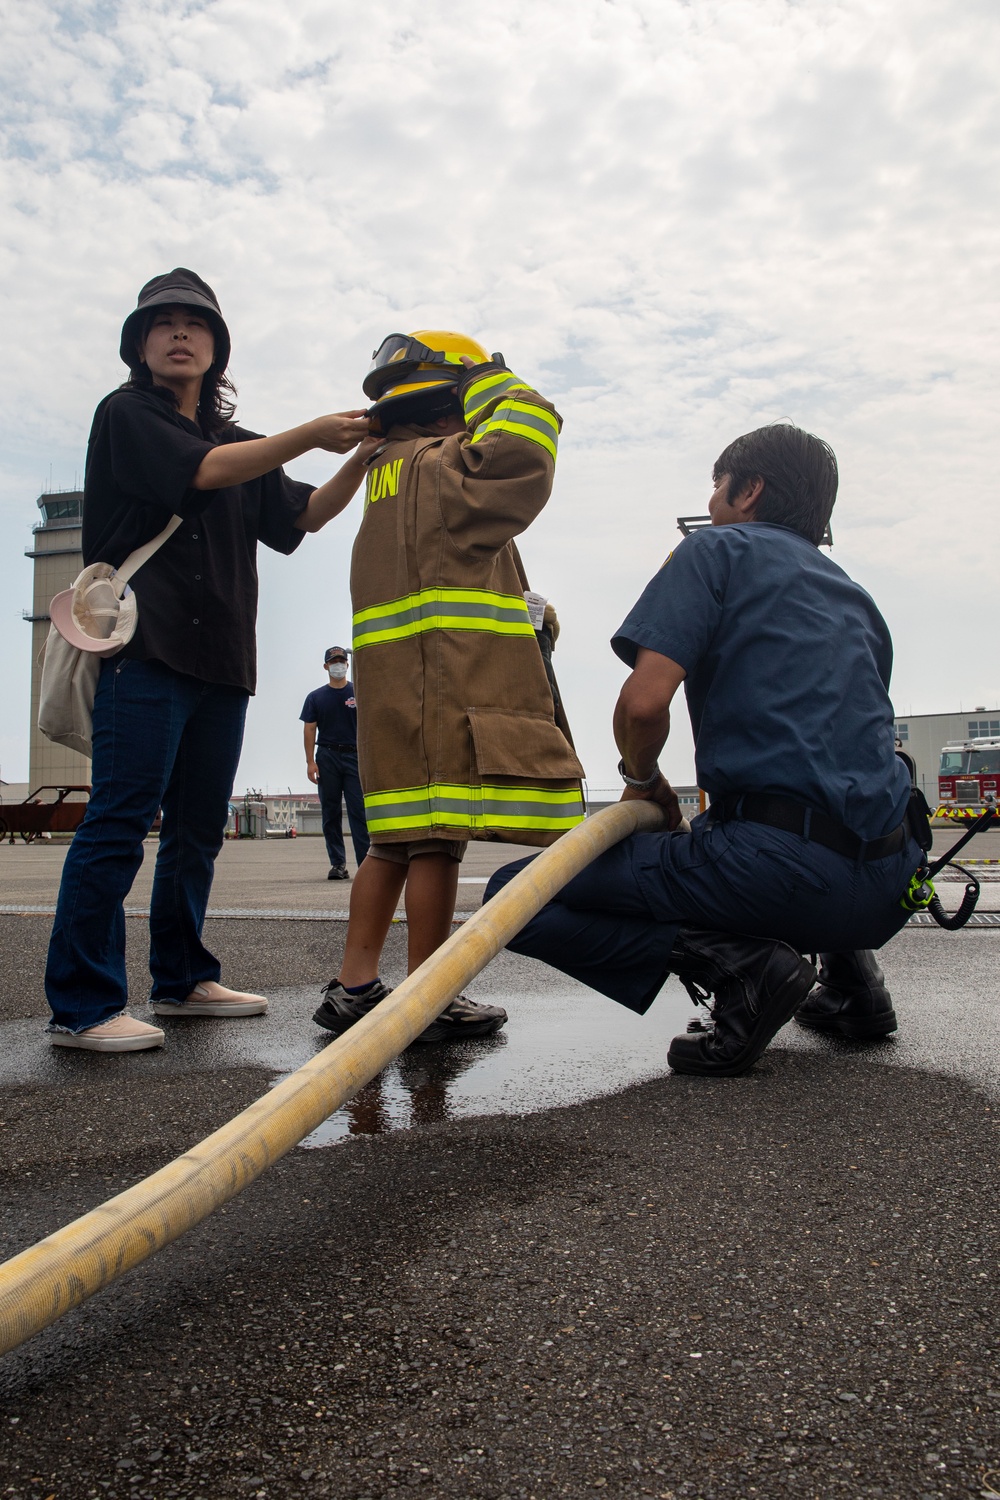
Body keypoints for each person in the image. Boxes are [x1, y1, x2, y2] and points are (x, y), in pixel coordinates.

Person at [485, 423, 925, 1076]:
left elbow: (642, 704)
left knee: (512, 897)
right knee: (794, 822)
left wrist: (643, 780)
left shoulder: (714, 551)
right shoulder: (854, 597)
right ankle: (855, 984)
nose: (713, 502)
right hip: (894, 883)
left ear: (749, 491)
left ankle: (744, 971)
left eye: (717, 487)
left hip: (782, 874)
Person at [46, 267, 378, 1053]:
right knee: (121, 821)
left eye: (196, 323)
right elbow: (199, 473)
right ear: (139, 344)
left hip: (223, 659)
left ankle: (182, 978)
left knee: (198, 830)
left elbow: (306, 517)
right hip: (145, 650)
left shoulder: (241, 443)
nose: (181, 332)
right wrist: (306, 432)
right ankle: (83, 1005)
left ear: (218, 347)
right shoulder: (127, 413)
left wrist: (364, 450)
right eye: (162, 323)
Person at [312, 330, 586, 1044]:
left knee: (393, 840)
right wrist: (493, 379)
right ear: (443, 406)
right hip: (440, 684)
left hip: (399, 689)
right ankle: (431, 995)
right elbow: (525, 451)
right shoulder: (440, 467)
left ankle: (355, 986)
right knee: (435, 839)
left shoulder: (388, 474)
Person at [301, 645, 370, 878]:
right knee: (330, 813)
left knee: (358, 811)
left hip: (354, 757)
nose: (338, 665)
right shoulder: (315, 697)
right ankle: (338, 864)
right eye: (333, 662)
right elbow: (309, 729)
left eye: (341, 661)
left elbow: (370, 726)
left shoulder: (359, 692)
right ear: (326, 666)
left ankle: (366, 865)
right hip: (327, 757)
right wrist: (310, 762)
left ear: (347, 664)